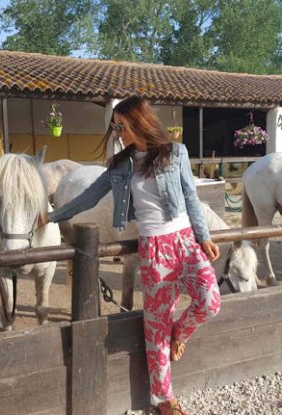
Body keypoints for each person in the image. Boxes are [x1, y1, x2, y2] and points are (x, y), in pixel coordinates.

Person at [49, 96, 221, 415]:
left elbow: (191, 197)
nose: (117, 132)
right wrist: (52, 216)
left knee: (210, 300)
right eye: (115, 126)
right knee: (154, 326)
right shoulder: (120, 165)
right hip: (153, 248)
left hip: (185, 242)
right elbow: (88, 197)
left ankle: (177, 334)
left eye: (121, 125)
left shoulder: (175, 152)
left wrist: (204, 236)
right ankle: (163, 399)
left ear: (138, 121)